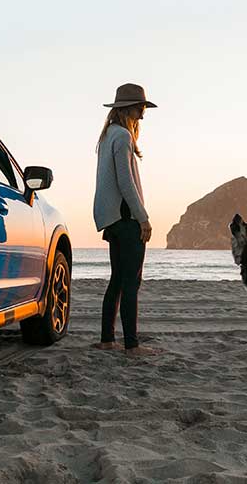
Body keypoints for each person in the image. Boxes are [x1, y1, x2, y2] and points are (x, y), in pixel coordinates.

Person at [93, 83, 159, 356]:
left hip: (112, 218)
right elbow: (126, 182)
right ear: (129, 107)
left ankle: (108, 339)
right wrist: (142, 217)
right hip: (125, 217)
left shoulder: (108, 135)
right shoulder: (122, 137)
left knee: (118, 279)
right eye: (141, 107)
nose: (143, 113)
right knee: (131, 281)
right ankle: (132, 345)